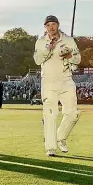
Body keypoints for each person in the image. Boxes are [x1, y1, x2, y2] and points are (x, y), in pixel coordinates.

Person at [33, 15, 81, 157]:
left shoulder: (69, 40)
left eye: (53, 24)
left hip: (66, 79)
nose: (51, 27)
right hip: (48, 81)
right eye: (48, 25)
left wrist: (69, 56)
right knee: (50, 115)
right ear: (45, 27)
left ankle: (60, 137)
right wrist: (50, 48)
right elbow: (37, 60)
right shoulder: (41, 42)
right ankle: (51, 147)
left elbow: (78, 59)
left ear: (58, 25)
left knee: (72, 114)